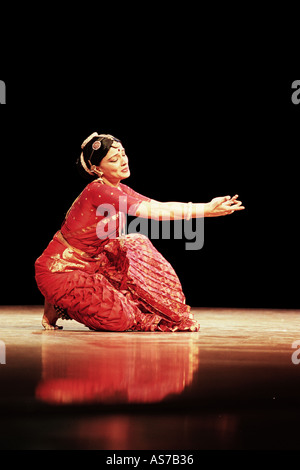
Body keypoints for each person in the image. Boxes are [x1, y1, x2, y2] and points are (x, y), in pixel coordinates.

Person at [35, 133, 244, 332]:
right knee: (122, 319)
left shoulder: (119, 189)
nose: (123, 161)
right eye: (114, 159)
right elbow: (155, 213)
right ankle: (62, 304)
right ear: (97, 168)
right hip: (62, 270)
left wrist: (207, 208)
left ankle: (67, 299)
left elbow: (159, 205)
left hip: (93, 265)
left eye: (123, 154)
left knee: (135, 243)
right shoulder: (97, 190)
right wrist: (206, 210)